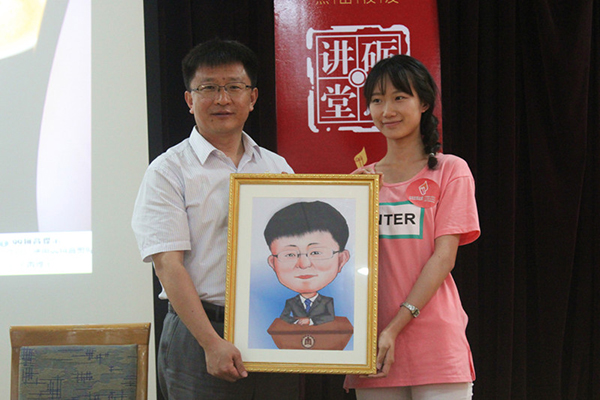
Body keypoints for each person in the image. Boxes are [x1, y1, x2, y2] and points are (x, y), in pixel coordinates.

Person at [132, 38, 299, 400]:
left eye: (234, 87)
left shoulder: (277, 167)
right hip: (199, 333)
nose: (222, 99)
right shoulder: (168, 171)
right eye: (208, 88)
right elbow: (167, 264)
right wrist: (211, 342)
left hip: (271, 328)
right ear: (189, 100)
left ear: (252, 97)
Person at [344, 54, 480, 399]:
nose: (387, 110)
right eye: (377, 100)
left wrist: (394, 327)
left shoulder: (450, 170)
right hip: (372, 345)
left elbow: (443, 258)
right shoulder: (360, 183)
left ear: (424, 104)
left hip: (435, 342)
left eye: (399, 97)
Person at [264, 201, 351, 325]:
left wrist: (310, 321)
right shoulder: (291, 302)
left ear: (341, 260)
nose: (303, 264)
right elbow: (284, 318)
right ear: (273, 263)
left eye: (316, 252)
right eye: (290, 254)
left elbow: (329, 317)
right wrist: (296, 322)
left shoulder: (327, 302)